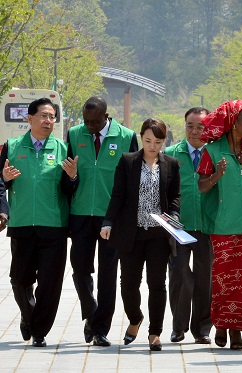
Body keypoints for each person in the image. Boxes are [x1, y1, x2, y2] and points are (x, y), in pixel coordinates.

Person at [0, 97, 78, 347]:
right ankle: (29, 315)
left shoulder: (63, 149)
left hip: (53, 225)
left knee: (50, 282)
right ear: (29, 118)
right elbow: (1, 184)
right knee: (19, 279)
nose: (48, 121)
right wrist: (5, 178)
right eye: (43, 116)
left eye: (52, 117)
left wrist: (72, 177)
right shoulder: (11, 147)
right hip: (22, 224)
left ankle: (40, 331)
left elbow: (70, 189)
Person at [100, 118, 180, 351]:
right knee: (128, 286)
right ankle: (135, 318)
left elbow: (175, 195)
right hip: (131, 235)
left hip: (158, 235)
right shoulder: (128, 161)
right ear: (140, 138)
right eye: (147, 141)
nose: (152, 146)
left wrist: (174, 213)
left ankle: (155, 332)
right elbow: (117, 195)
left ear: (164, 141)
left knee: (157, 284)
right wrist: (108, 222)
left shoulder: (171, 164)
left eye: (157, 142)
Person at [197, 100, 242, 350]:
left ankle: (237, 330)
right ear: (233, 124)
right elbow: (202, 186)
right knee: (224, 280)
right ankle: (222, 324)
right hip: (222, 226)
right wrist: (217, 175)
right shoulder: (212, 151)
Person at [67, 96, 138, 347]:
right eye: (86, 121)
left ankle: (99, 329)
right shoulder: (74, 135)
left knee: (108, 275)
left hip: (112, 217)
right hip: (81, 213)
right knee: (79, 268)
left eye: (94, 122)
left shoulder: (126, 136)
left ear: (106, 115)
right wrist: (72, 179)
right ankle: (91, 309)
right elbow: (67, 177)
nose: (89, 126)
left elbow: (132, 180)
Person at [166, 107, 213, 344]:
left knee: (206, 278)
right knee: (179, 274)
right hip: (179, 227)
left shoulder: (214, 154)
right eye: (190, 126)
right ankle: (178, 326)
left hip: (208, 226)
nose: (195, 131)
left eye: (200, 126)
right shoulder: (171, 154)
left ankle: (202, 328)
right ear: (184, 126)